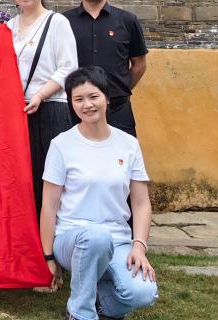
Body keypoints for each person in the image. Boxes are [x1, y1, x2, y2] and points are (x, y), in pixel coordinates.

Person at [40, 67, 158, 320]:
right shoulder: (61, 145)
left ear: (107, 98)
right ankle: (80, 313)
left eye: (93, 96)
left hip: (117, 240)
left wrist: (139, 246)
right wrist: (48, 256)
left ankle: (102, 302)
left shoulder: (129, 144)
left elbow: (141, 203)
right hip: (71, 239)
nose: (87, 105)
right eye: (78, 99)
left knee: (143, 293)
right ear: (71, 104)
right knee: (96, 237)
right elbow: (49, 205)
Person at [7, 0, 78, 213]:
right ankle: (31, 230)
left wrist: (39, 95)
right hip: (18, 111)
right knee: (24, 177)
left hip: (50, 107)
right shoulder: (8, 27)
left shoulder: (57, 22)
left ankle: (53, 232)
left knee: (51, 176)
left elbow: (68, 67)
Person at [64, 0, 149, 136]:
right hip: (75, 109)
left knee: (122, 152)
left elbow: (139, 64)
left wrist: (120, 90)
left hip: (118, 109)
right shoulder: (63, 22)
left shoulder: (127, 20)